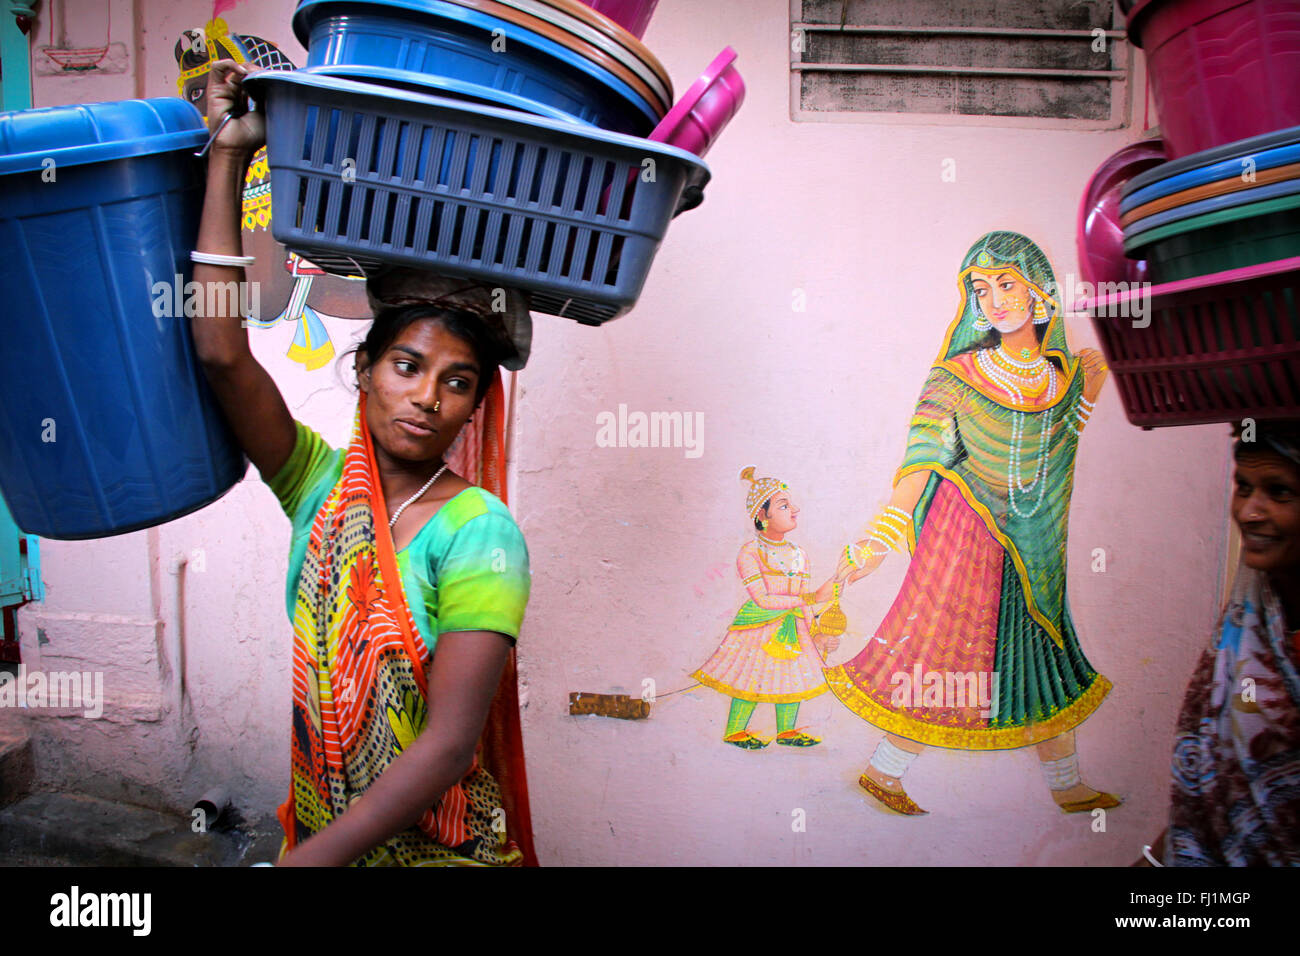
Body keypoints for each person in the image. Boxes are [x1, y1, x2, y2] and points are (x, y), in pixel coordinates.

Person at [189, 61, 536, 865]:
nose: (427, 398)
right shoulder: (319, 484)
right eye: (407, 367)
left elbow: (449, 748)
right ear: (366, 370)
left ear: (475, 404)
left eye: (458, 382)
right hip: (324, 832)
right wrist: (228, 156)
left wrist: (309, 862)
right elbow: (219, 351)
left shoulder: (482, 534)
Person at [827, 231, 1115, 815]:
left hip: (1035, 544)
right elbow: (924, 455)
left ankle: (1065, 784)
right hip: (963, 538)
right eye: (981, 290)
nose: (995, 300)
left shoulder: (1064, 379)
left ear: (1039, 292)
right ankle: (884, 772)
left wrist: (1093, 380)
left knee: (1040, 648)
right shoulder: (955, 376)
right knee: (945, 654)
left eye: (1006, 284)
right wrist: (884, 532)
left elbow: (1058, 449)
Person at [1143, 420, 1300, 866]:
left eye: (1280, 492)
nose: (1250, 512)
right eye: (1243, 487)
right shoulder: (1253, 618)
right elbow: (1212, 796)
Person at [692, 468, 840, 748]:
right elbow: (764, 600)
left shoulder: (799, 555)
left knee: (791, 675)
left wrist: (816, 633)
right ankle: (735, 730)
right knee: (751, 674)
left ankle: (786, 731)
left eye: (791, 504)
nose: (794, 510)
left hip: (793, 625)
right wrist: (811, 597)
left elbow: (801, 600)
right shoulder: (751, 552)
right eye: (784, 506)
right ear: (763, 515)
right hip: (759, 625)